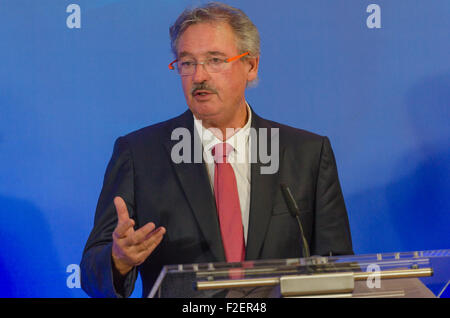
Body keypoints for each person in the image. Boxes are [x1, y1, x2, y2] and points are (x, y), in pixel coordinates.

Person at [80, 2, 353, 298]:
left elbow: (337, 266)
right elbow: (91, 275)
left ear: (251, 65)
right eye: (187, 63)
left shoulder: (306, 154)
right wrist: (118, 259)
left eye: (215, 60)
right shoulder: (139, 154)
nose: (199, 76)